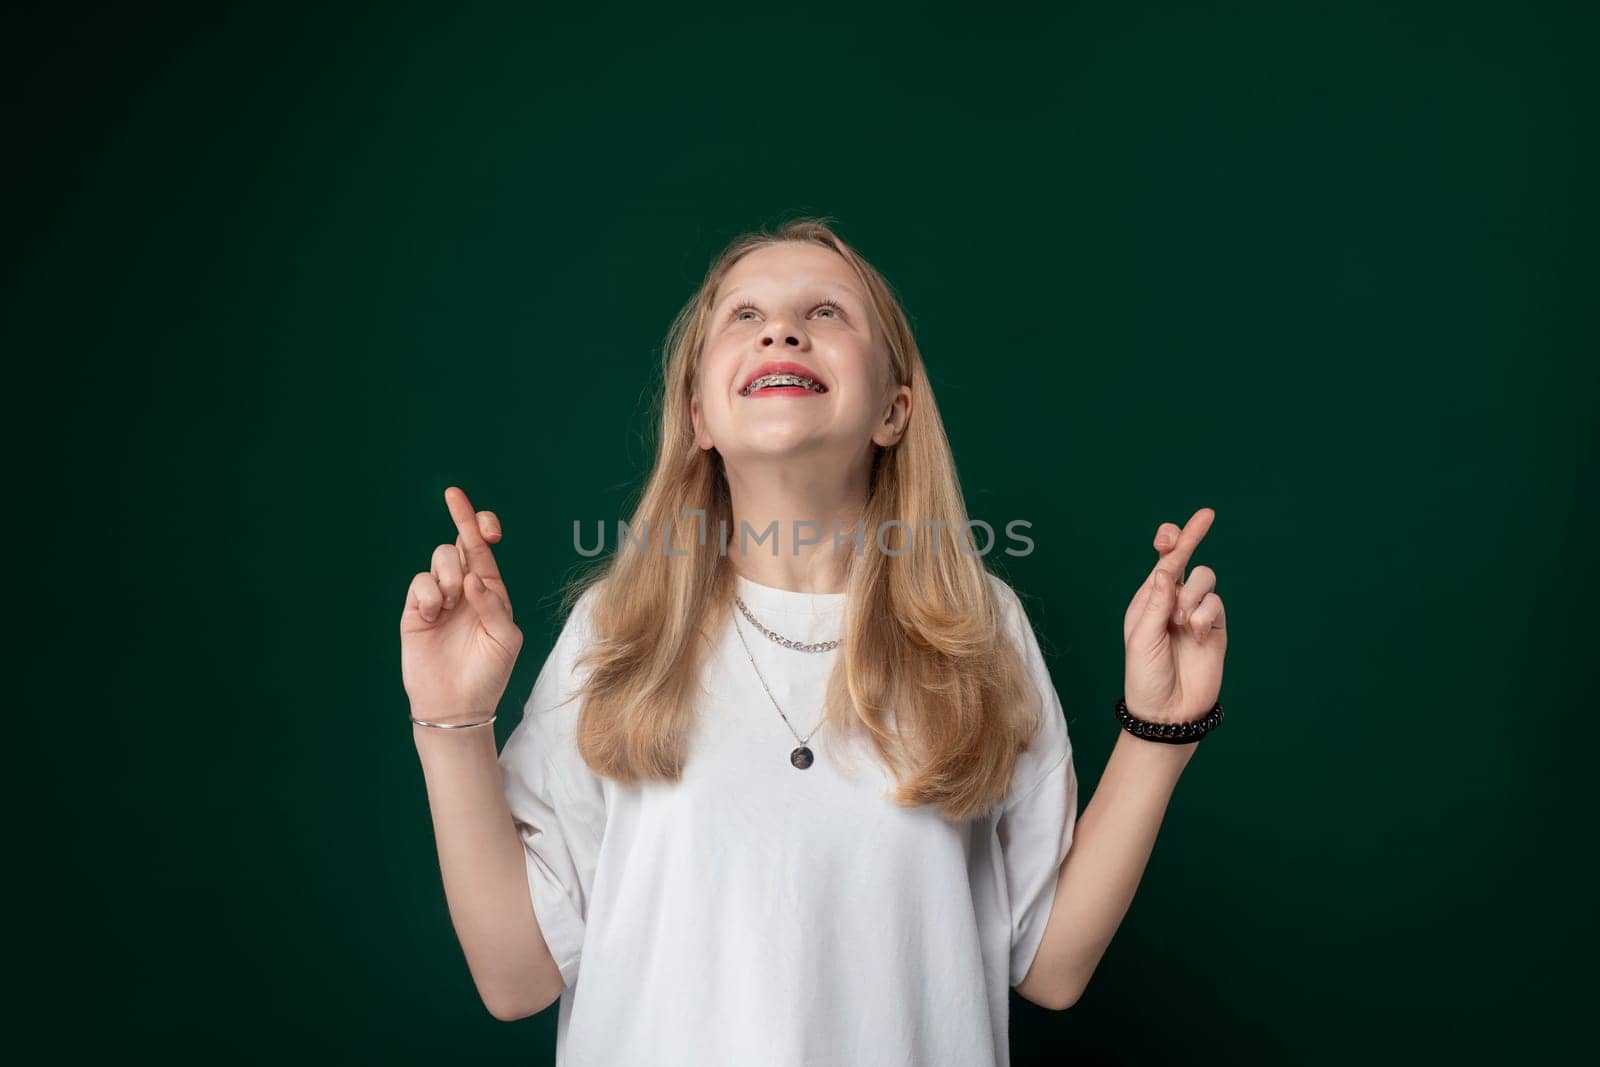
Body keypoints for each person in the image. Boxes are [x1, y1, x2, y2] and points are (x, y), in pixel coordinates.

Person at [400, 218, 1229, 1066]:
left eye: (827, 312)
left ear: (892, 410)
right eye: (744, 314)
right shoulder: (619, 629)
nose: (781, 328)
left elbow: (1049, 965)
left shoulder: (982, 625)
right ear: (698, 418)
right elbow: (517, 977)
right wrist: (452, 720)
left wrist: (1156, 732)